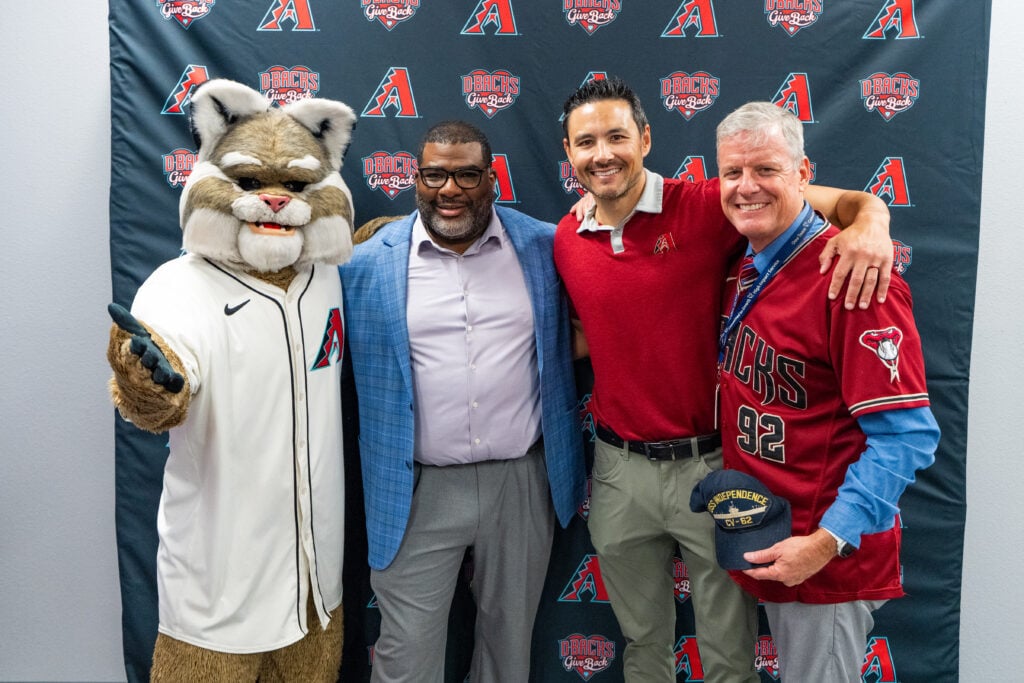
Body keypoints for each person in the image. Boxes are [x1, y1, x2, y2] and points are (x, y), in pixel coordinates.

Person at [553, 77, 894, 682]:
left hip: (713, 465)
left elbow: (835, 202)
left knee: (729, 652)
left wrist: (873, 218)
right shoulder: (565, 237)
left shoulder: (715, 200)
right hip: (616, 470)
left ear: (646, 139)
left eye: (616, 136)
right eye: (586, 142)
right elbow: (589, 331)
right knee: (641, 644)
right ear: (569, 153)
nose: (602, 153)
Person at [340, 120, 586, 683]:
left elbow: (610, 314)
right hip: (413, 487)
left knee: (508, 653)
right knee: (406, 659)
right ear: (416, 180)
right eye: (434, 174)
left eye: (466, 174)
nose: (449, 189)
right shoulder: (365, 265)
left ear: (492, 179)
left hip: (521, 483)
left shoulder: (546, 248)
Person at [713, 101, 939, 682]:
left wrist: (828, 540)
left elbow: (907, 438)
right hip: (769, 533)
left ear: (803, 173)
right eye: (732, 173)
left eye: (766, 170)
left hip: (823, 557)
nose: (746, 187)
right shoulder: (750, 260)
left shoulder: (853, 275)